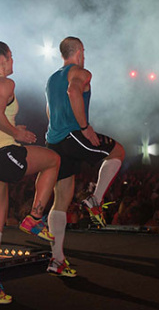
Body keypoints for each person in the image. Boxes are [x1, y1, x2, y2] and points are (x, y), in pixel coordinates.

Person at [0, 41, 61, 304]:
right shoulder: (6, 84)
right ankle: (35, 216)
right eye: (12, 56)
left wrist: (11, 126)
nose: (13, 61)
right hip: (0, 154)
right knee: (53, 159)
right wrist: (17, 132)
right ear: (4, 59)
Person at [44, 37, 125, 277]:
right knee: (118, 151)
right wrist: (85, 126)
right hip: (73, 134)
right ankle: (96, 199)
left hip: (54, 139)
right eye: (84, 51)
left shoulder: (50, 79)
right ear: (80, 51)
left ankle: (57, 260)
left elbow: (49, 109)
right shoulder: (81, 72)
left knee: (62, 199)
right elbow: (73, 91)